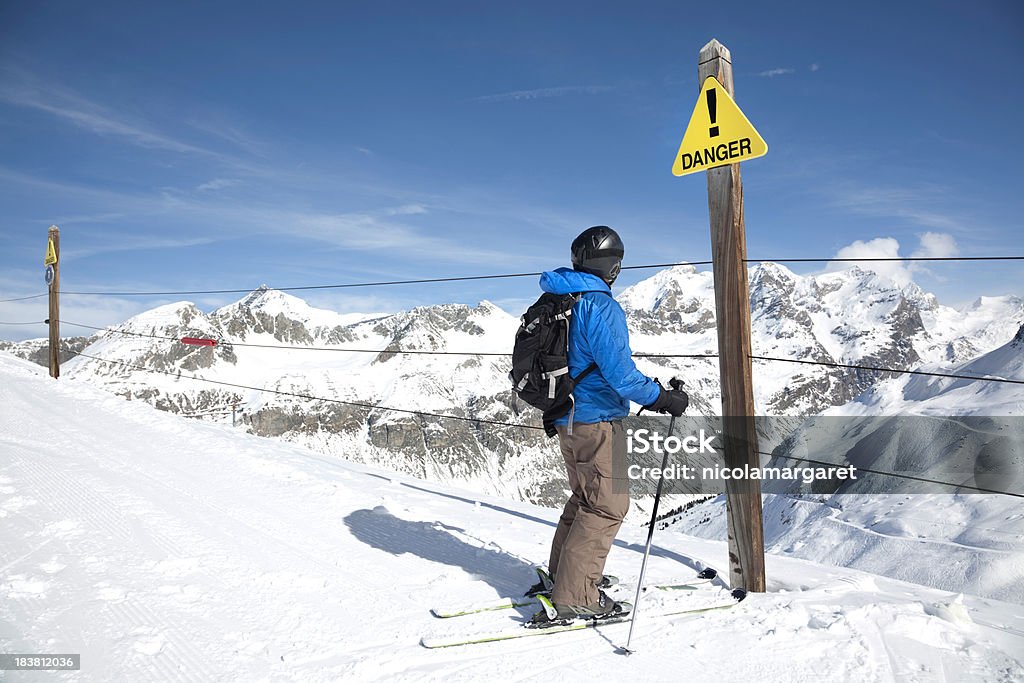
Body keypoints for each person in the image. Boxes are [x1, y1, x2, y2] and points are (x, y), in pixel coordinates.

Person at [529, 225, 689, 626]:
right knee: (606, 505)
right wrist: (664, 398)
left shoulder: (559, 298)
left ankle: (565, 577)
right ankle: (577, 596)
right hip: (596, 419)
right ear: (612, 266)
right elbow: (621, 375)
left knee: (586, 498)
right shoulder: (599, 306)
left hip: (566, 416)